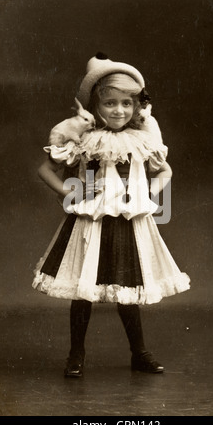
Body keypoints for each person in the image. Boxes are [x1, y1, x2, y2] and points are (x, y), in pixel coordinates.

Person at [32, 53, 190, 378]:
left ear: (136, 107)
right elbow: (46, 169)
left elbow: (165, 171)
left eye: (127, 104)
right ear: (94, 106)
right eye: (110, 104)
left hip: (129, 224)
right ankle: (76, 355)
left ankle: (139, 353)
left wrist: (148, 193)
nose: (119, 111)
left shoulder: (141, 139)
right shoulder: (84, 140)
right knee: (82, 290)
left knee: (127, 289)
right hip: (90, 224)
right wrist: (70, 192)